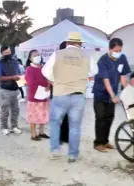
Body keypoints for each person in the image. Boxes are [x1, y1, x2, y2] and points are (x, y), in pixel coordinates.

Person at [42, 32, 98, 163]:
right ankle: (73, 154)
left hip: (60, 93)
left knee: (55, 123)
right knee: (75, 126)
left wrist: (55, 79)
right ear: (79, 43)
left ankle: (55, 150)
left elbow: (45, 71)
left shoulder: (57, 54)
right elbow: (95, 71)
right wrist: (83, 74)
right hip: (78, 95)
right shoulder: (86, 56)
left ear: (67, 42)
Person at [92, 38, 131, 152]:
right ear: (109, 49)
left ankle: (105, 141)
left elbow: (123, 76)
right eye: (116, 50)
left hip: (112, 94)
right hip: (101, 93)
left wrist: (127, 91)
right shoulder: (102, 61)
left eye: (120, 50)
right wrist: (113, 96)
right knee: (100, 118)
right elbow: (106, 80)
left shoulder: (122, 58)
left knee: (109, 118)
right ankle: (98, 143)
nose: (118, 53)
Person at [0, 46, 22, 135]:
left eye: (9, 52)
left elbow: (19, 74)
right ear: (2, 53)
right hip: (5, 90)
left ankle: (14, 126)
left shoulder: (15, 62)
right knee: (5, 110)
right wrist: (12, 77)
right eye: (6, 53)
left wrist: (21, 80)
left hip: (15, 89)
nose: (8, 54)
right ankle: (4, 127)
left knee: (15, 110)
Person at [25, 50, 50, 141]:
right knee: (34, 115)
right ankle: (33, 134)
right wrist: (44, 85)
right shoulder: (29, 69)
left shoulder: (42, 68)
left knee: (43, 114)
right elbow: (31, 83)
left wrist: (48, 85)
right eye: (34, 55)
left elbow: (48, 78)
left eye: (38, 55)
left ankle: (41, 132)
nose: (37, 56)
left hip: (43, 95)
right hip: (34, 96)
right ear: (30, 58)